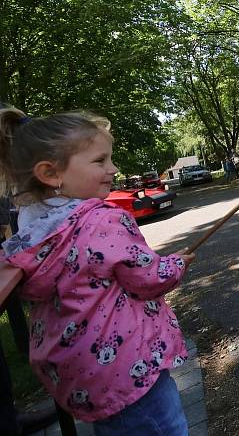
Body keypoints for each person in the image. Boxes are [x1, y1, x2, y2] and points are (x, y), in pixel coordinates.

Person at [0, 107, 195, 435]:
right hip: (130, 370)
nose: (113, 169)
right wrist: (177, 263)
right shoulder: (102, 220)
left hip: (83, 380)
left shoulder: (32, 232)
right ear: (51, 173)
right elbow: (147, 278)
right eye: (100, 161)